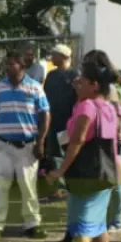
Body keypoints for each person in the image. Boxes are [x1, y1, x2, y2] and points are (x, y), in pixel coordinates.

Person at [46, 61, 120, 242]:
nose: (76, 83)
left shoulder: (87, 108)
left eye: (81, 80)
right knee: (99, 223)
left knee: (81, 226)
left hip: (86, 174)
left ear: (93, 85)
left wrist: (60, 171)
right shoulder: (108, 107)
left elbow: (76, 143)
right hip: (106, 172)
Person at [54, 50, 121, 242]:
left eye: (84, 73)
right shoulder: (93, 100)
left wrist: (61, 170)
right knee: (95, 218)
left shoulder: (95, 101)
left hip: (92, 160)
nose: (78, 78)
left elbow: (79, 139)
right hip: (101, 158)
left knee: (85, 222)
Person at [0, 51, 51, 242]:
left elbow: (45, 115)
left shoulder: (35, 87)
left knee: (28, 187)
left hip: (27, 146)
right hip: (4, 145)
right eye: (7, 64)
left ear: (22, 66)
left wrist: (41, 141)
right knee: (0, 186)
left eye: (11, 64)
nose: (7, 67)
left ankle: (32, 224)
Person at [43, 44, 77, 202]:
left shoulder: (76, 75)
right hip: (52, 122)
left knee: (71, 154)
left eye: (54, 54)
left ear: (63, 57)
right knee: (55, 155)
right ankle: (60, 188)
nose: (51, 57)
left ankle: (73, 186)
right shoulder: (50, 76)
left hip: (70, 124)